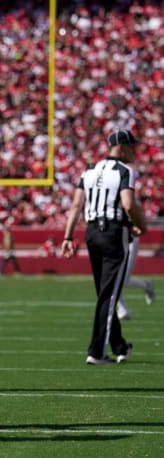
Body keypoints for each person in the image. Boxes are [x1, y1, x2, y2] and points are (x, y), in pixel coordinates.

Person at [61, 129, 148, 365]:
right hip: (113, 233)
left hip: (91, 233)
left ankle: (120, 346)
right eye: (132, 146)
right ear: (121, 146)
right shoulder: (124, 171)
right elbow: (128, 204)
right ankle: (97, 351)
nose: (135, 151)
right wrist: (142, 225)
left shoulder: (89, 170)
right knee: (109, 295)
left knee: (105, 293)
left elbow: (76, 204)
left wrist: (68, 237)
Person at [116, 235, 155, 320]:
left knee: (122, 279)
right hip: (113, 241)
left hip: (129, 239)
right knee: (114, 278)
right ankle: (123, 310)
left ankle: (147, 285)